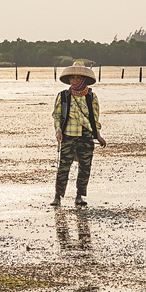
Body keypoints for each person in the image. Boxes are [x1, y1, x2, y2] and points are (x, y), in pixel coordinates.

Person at [51, 61, 106, 207]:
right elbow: (57, 116)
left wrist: (98, 135)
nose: (74, 80)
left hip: (86, 136)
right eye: (72, 77)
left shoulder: (91, 97)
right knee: (63, 167)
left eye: (77, 78)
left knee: (85, 167)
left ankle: (79, 196)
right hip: (68, 135)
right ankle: (57, 196)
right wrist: (58, 131)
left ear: (83, 79)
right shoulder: (63, 96)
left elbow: (95, 119)